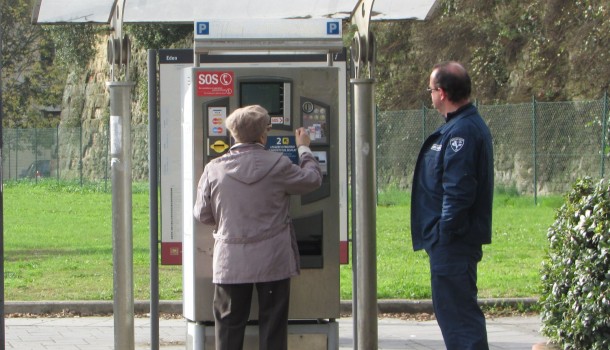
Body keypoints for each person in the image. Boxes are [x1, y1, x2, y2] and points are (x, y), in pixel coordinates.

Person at [193, 105, 322, 350]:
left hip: (230, 263)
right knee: (273, 330)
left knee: (229, 331)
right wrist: (304, 147)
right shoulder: (279, 164)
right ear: (264, 135)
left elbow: (201, 213)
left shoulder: (214, 169)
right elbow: (313, 179)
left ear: (233, 134)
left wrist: (229, 224)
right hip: (273, 261)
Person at [410, 61, 494, 350]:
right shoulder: (458, 128)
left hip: (454, 243)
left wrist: (444, 234)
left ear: (442, 93)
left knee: (460, 321)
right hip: (449, 242)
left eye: (431, 89)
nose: (430, 94)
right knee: (454, 317)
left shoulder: (462, 134)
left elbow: (458, 193)